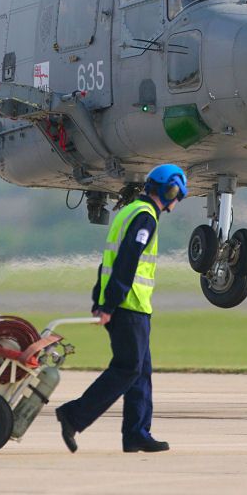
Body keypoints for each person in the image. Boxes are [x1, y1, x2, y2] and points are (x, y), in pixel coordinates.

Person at [55, 164, 188, 454]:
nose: (177, 202)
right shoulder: (145, 217)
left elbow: (107, 261)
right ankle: (74, 415)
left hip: (131, 306)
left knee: (140, 371)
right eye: (179, 195)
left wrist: (99, 298)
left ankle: (137, 433)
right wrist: (109, 304)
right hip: (129, 307)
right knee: (127, 369)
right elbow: (126, 260)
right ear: (170, 190)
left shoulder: (129, 211)